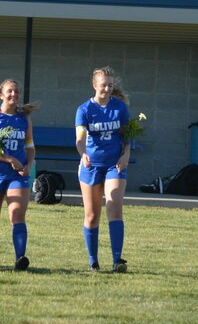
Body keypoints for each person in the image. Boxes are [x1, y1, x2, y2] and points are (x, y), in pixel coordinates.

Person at [75, 67, 130, 273]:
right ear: (94, 85)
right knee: (91, 215)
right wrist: (83, 154)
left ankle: (117, 261)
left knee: (114, 206)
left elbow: (127, 136)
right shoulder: (84, 110)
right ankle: (93, 261)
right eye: (103, 85)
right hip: (91, 166)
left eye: (110, 85)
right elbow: (80, 139)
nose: (107, 88)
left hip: (114, 165)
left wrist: (126, 155)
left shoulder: (120, 108)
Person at [0, 79, 36, 270]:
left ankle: (21, 259)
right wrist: (10, 159)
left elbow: (30, 146)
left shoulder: (24, 118)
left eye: (17, 92)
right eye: (10, 91)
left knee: (17, 214)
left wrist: (28, 163)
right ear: (1, 94)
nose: (14, 95)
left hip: (17, 175)